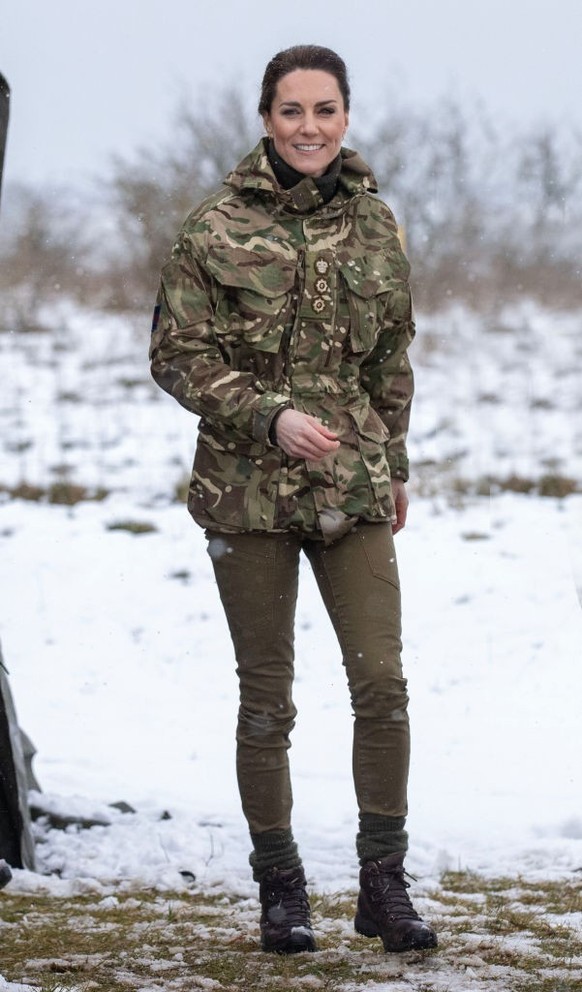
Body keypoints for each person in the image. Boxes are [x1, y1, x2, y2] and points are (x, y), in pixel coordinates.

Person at [149, 44, 437, 956]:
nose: (308, 128)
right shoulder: (214, 226)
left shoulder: (378, 225)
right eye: (291, 111)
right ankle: (282, 890)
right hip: (246, 493)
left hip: (350, 486)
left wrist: (393, 464)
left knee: (382, 686)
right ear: (265, 118)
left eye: (324, 110)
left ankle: (382, 887)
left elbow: (393, 355)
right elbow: (177, 356)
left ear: (345, 117)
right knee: (267, 700)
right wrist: (267, 416)